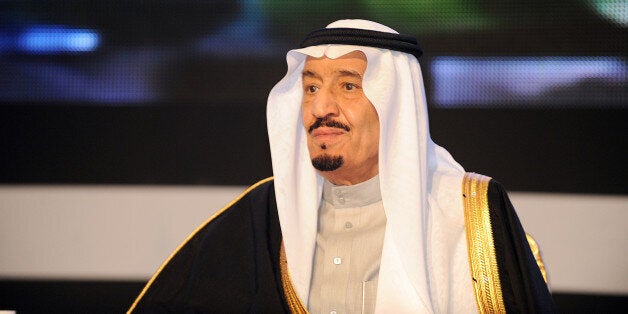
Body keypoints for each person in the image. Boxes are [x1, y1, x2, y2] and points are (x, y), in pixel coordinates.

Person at [128, 20, 555, 313]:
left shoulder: (469, 214)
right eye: (310, 86)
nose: (320, 107)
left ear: (394, 104)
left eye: (348, 85)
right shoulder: (261, 216)